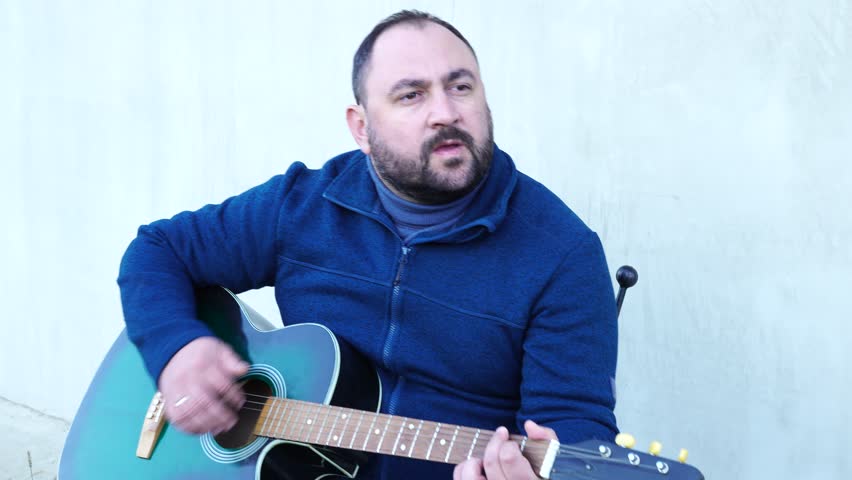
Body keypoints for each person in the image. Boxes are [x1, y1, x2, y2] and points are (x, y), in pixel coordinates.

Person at [118, 10, 618, 480]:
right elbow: (158, 250)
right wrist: (176, 348)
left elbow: (573, 432)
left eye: (460, 87)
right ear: (361, 128)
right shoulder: (302, 205)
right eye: (411, 95)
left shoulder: (562, 255)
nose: (446, 113)